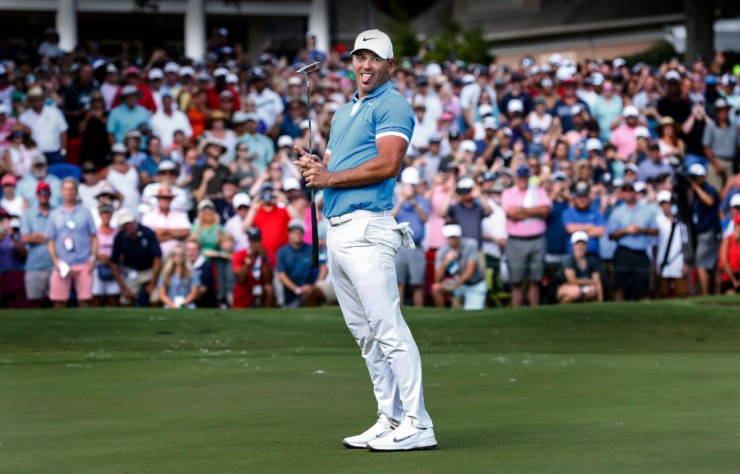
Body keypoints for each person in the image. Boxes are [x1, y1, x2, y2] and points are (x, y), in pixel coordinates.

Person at [293, 29, 436, 451]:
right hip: (338, 232)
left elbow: (389, 164)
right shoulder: (342, 113)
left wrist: (330, 176)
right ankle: (390, 417)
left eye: (374, 58)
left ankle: (418, 422)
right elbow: (339, 167)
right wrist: (318, 167)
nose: (365, 65)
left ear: (389, 65)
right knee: (366, 335)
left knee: (388, 328)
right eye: (359, 57)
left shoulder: (393, 104)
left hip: (368, 229)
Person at [500, 164, 552, 307]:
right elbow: (511, 213)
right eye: (520, 176)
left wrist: (522, 210)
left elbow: (544, 210)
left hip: (537, 240)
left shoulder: (539, 192)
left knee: (535, 279)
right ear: (516, 177)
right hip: (516, 241)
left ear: (529, 177)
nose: (523, 179)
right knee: (516, 280)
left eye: (525, 176)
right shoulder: (509, 193)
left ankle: (534, 311)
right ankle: (517, 312)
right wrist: (533, 211)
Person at [45, 178, 98, 308]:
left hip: (83, 261)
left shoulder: (85, 212)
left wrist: (93, 258)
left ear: (76, 192)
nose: (69, 192)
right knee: (59, 301)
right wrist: (55, 260)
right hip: (62, 262)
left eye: (71, 189)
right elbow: (50, 240)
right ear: (61, 192)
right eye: (66, 189)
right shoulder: (55, 214)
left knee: (85, 300)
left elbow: (94, 237)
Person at [606, 181, 658, 301]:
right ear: (622, 193)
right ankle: (619, 314)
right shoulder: (617, 212)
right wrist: (625, 231)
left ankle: (644, 315)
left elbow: (655, 231)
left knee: (643, 286)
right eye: (625, 190)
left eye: (631, 190)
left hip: (641, 252)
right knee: (620, 286)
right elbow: (611, 235)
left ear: (635, 192)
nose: (628, 193)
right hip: (624, 252)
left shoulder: (646, 210)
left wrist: (641, 230)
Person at [392, 167, 430, 307]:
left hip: (416, 246)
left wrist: (413, 202)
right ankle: (399, 311)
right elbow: (390, 218)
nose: (411, 188)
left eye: (413, 185)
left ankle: (418, 311)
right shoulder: (396, 200)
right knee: (399, 283)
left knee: (417, 283)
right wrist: (401, 201)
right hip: (400, 246)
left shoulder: (422, 201)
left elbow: (425, 218)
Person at [109, 209, 163, 306]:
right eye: (124, 224)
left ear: (134, 221)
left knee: (155, 297)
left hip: (150, 270)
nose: (128, 226)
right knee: (125, 300)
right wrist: (123, 288)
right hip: (132, 272)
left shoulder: (147, 233)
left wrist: (152, 283)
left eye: (129, 223)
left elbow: (157, 258)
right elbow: (114, 263)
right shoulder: (119, 237)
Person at [431, 222, 488, 310]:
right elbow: (437, 279)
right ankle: (443, 316)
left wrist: (454, 285)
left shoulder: (471, 244)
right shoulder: (442, 251)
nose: (452, 239)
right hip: (457, 283)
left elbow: (469, 273)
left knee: (471, 314)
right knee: (436, 288)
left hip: (474, 284)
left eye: (454, 236)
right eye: (450, 237)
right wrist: (445, 263)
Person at [687, 163, 721, 296]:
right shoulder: (695, 192)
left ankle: (706, 295)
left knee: (701, 264)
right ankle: (716, 295)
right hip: (704, 232)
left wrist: (695, 188)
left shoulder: (708, 189)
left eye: (696, 177)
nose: (694, 180)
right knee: (712, 265)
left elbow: (710, 201)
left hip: (709, 231)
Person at [20, 181, 55, 308]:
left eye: (46, 192)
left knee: (56, 301)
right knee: (36, 302)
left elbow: (60, 236)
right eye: (41, 192)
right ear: (36, 195)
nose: (43, 195)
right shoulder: (28, 214)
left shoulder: (56, 213)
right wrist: (48, 237)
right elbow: (25, 238)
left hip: (54, 264)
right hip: (35, 264)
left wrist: (38, 235)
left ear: (50, 194)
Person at [276, 219, 320, 307]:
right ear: (289, 234)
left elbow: (323, 268)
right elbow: (281, 275)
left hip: (310, 289)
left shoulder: (311, 248)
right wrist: (298, 290)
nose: (297, 235)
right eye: (294, 232)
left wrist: (315, 286)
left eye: (299, 232)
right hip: (291, 294)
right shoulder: (282, 252)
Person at [18, 87, 69, 165]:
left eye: (39, 99)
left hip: (55, 153)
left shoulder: (54, 112)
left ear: (43, 99)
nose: (37, 101)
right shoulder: (23, 117)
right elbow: (21, 138)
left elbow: (63, 131)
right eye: (34, 99)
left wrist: (63, 151)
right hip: (34, 155)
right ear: (30, 101)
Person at [231, 226, 274, 308]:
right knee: (240, 289)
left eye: (257, 239)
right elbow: (240, 279)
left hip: (260, 288)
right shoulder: (239, 254)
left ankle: (268, 314)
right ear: (249, 240)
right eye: (253, 239)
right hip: (246, 288)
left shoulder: (267, 253)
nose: (255, 242)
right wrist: (250, 257)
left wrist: (264, 259)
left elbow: (269, 279)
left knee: (268, 288)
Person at [556, 231, 603, 303]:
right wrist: (590, 281)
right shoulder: (569, 259)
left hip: (582, 288)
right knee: (576, 292)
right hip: (564, 287)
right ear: (572, 246)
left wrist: (600, 301)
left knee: (593, 290)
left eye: (583, 243)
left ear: (587, 245)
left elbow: (597, 281)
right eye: (577, 243)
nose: (580, 246)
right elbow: (571, 280)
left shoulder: (592, 260)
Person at [92, 203, 120, 306]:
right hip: (98, 266)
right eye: (104, 213)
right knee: (96, 296)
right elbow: (91, 248)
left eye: (108, 213)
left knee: (113, 297)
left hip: (113, 267)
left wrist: (113, 258)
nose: (106, 216)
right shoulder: (95, 232)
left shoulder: (117, 232)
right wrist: (97, 256)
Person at [157, 244, 200, 309]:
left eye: (181, 254)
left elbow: (194, 293)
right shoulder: (165, 273)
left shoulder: (192, 272)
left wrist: (182, 305)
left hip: (188, 305)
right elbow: (162, 294)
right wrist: (173, 306)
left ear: (184, 256)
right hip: (170, 305)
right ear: (171, 256)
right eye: (175, 254)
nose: (178, 256)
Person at [719, 213, 740, 294]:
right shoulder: (728, 240)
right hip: (729, 277)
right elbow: (724, 262)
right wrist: (734, 281)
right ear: (735, 226)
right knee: (731, 293)